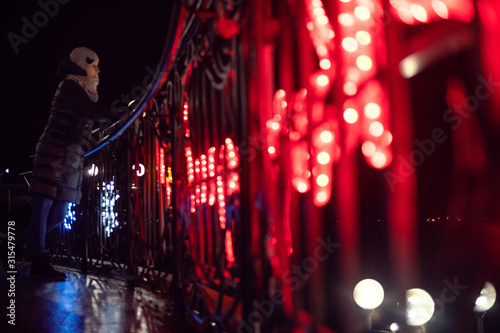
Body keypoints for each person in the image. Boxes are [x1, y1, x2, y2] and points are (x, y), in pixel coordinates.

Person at [23, 46, 117, 280]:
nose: (98, 69)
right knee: (44, 207)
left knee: (59, 214)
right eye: (93, 64)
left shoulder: (81, 90)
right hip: (54, 151)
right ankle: (38, 261)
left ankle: (11, 245)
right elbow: (91, 111)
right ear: (82, 65)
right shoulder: (70, 86)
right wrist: (113, 114)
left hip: (69, 158)